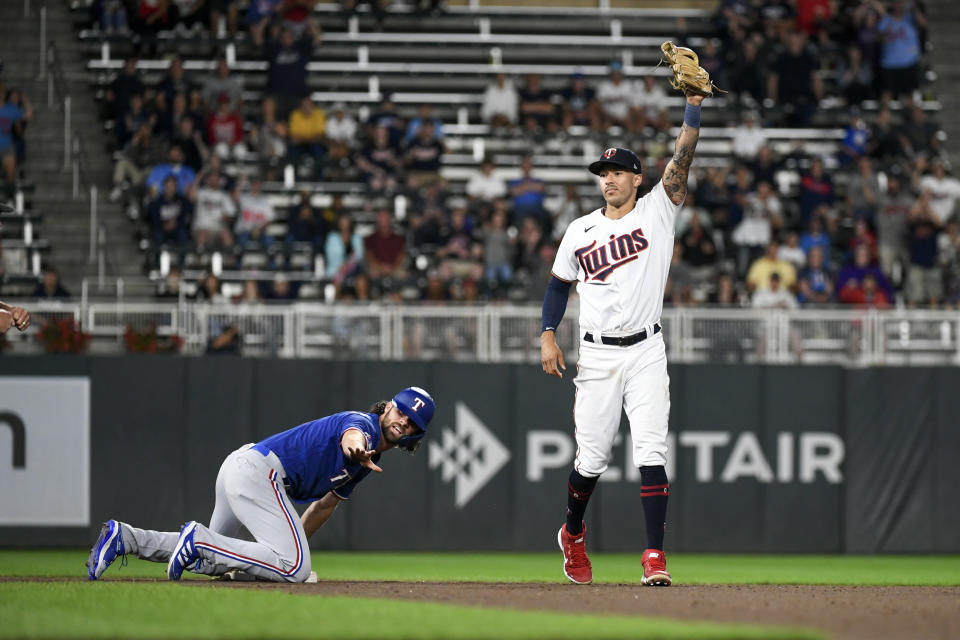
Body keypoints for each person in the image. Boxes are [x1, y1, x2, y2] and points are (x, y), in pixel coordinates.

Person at [539, 84, 709, 587]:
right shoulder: (580, 230)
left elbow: (683, 155)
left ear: (637, 178)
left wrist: (693, 107)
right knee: (591, 459)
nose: (608, 180)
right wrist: (548, 333)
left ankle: (654, 556)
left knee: (651, 452)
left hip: (647, 349)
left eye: (616, 172)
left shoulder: (658, 209)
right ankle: (572, 532)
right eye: (603, 173)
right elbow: (557, 285)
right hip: (595, 355)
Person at [86, 388, 436, 583]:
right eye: (400, 412)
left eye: (411, 422)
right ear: (388, 407)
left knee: (214, 562)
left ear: (415, 435)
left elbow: (323, 506)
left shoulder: (369, 461)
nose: (403, 421)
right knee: (295, 569)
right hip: (260, 473)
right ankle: (199, 539)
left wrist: (289, 545)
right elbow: (351, 436)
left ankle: (126, 538)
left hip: (245, 468)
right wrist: (355, 448)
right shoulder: (365, 427)